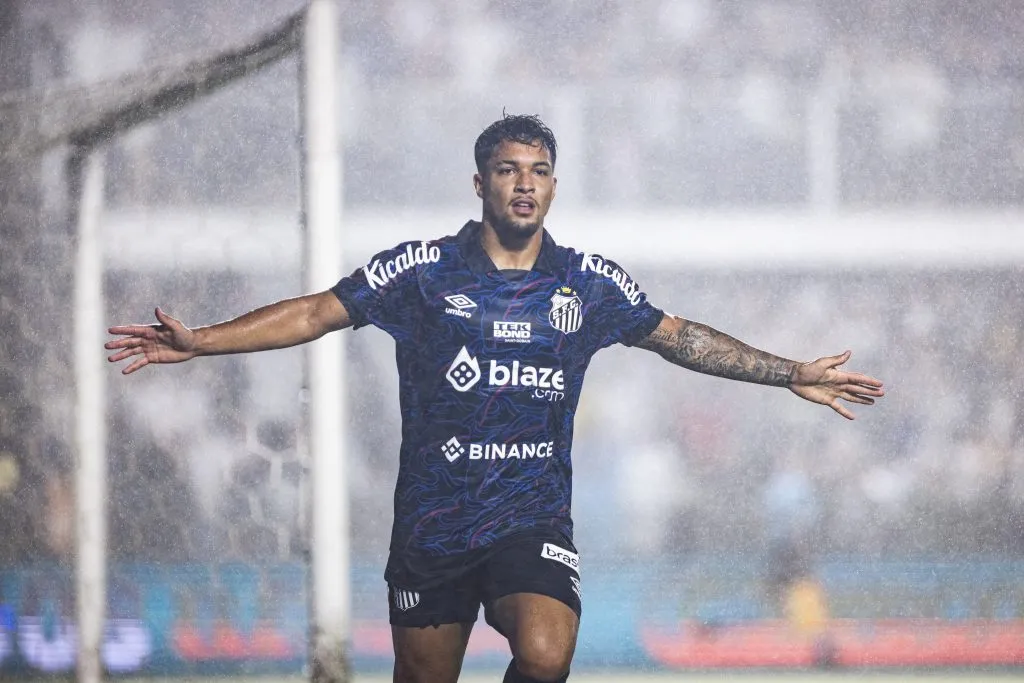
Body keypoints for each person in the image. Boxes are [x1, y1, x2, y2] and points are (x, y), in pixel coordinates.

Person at [106, 114, 885, 683]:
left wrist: (791, 372)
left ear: (554, 184)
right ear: (480, 182)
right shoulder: (423, 271)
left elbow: (678, 336)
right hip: (433, 524)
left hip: (530, 518)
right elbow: (315, 311)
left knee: (545, 656)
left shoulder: (588, 282)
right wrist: (201, 339)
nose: (525, 183)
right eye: (509, 169)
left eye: (539, 170)